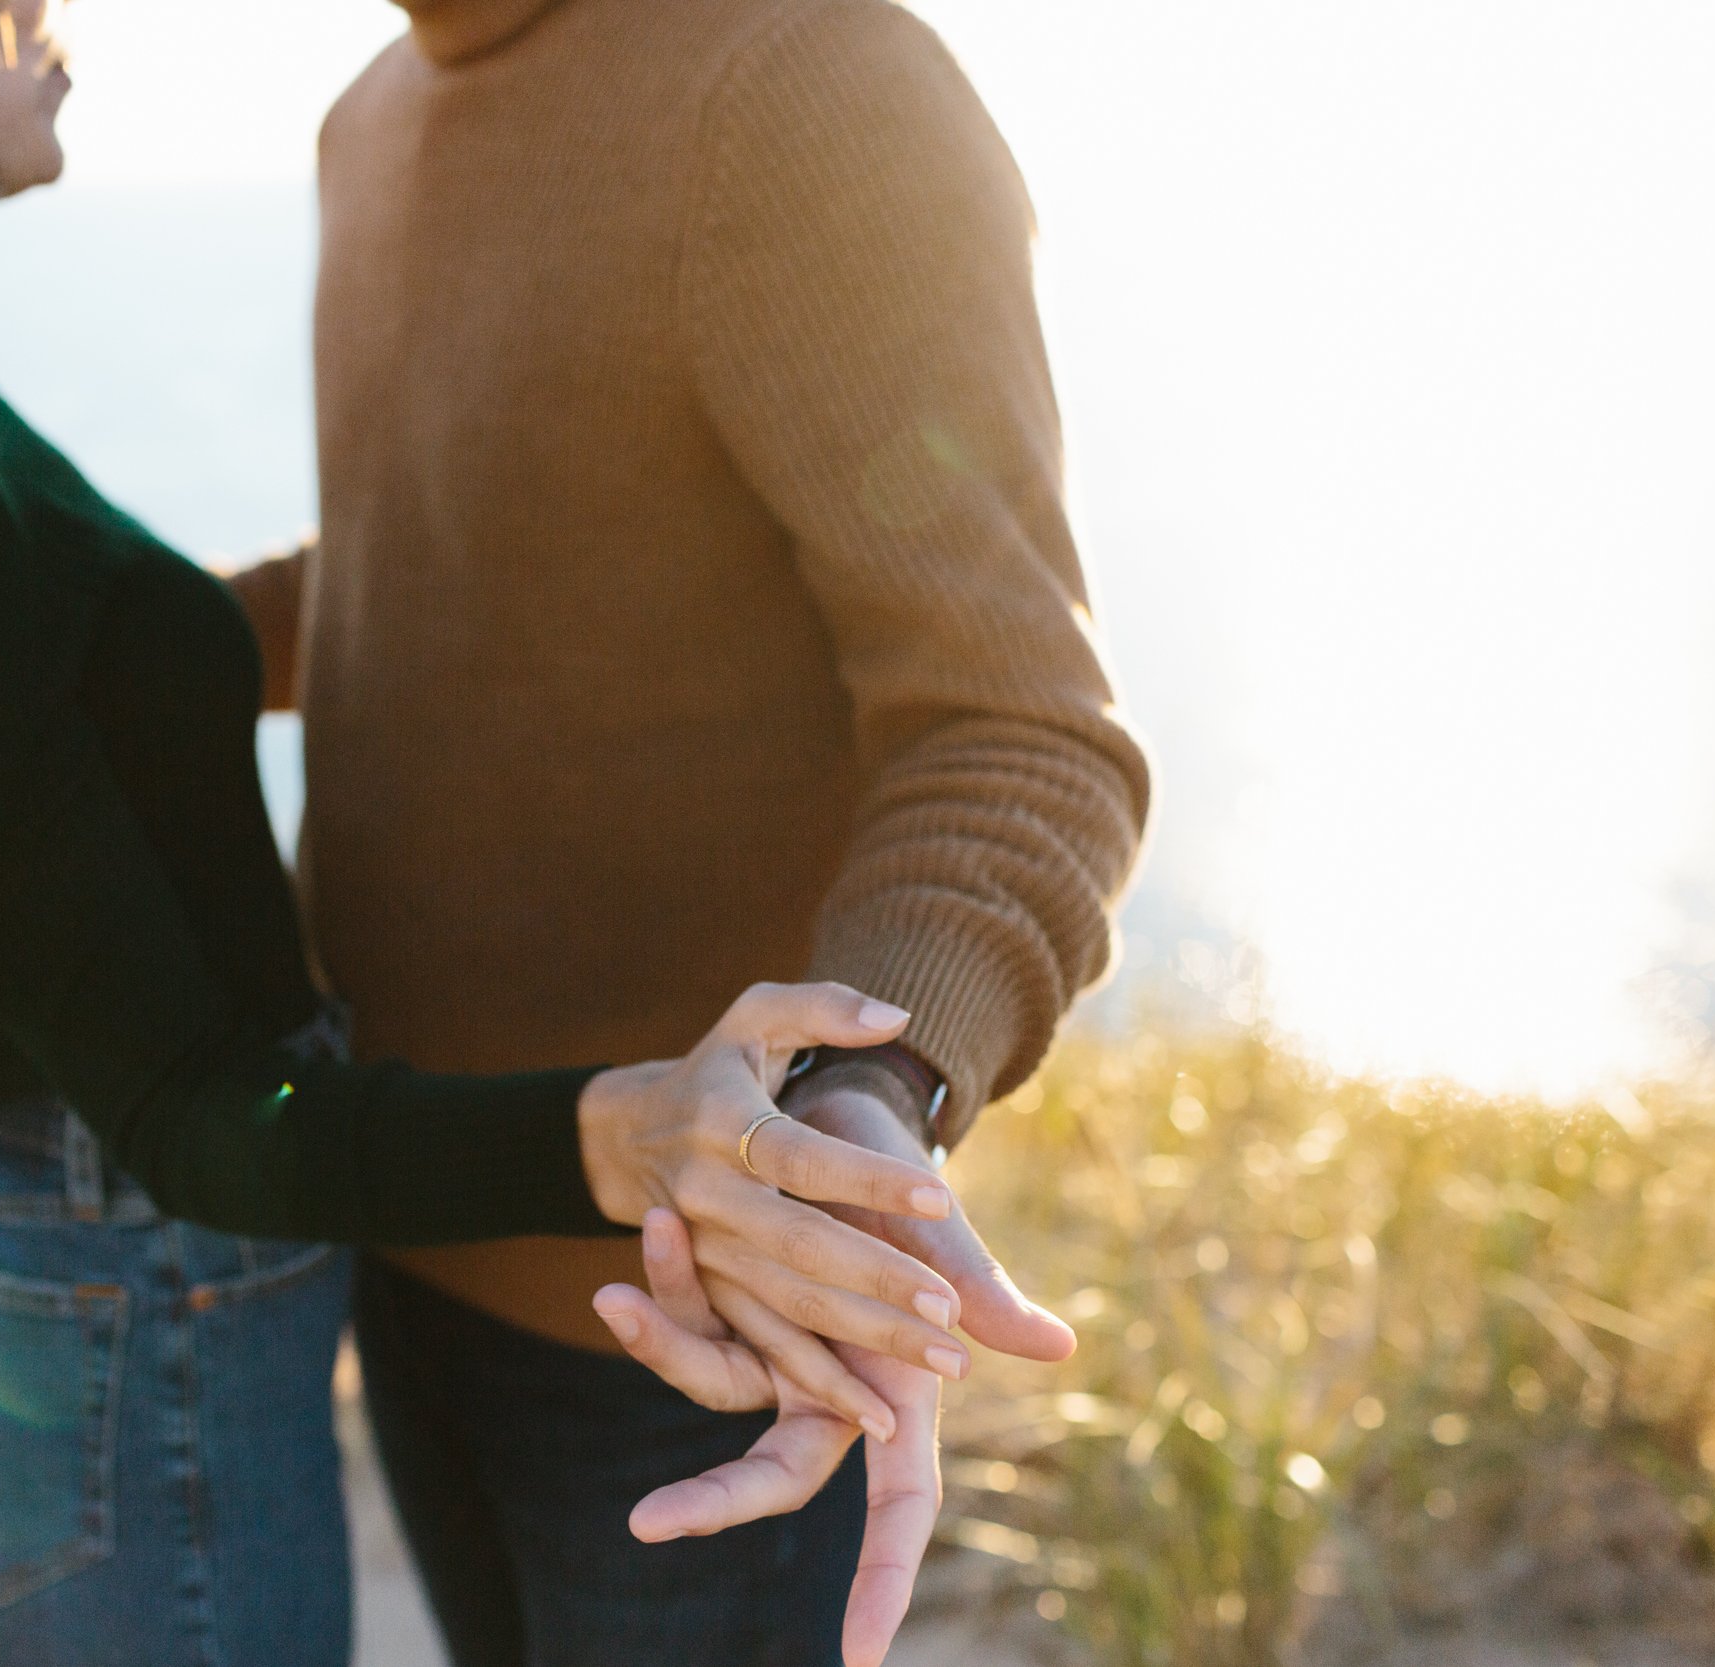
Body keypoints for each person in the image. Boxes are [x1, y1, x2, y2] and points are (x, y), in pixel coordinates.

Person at [0, 1, 994, 1663]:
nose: (33, 15)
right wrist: (628, 1133)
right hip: (134, 1307)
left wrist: (614, 540)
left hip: (135, 1296)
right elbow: (193, 1115)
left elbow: (80, 656)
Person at [224, 0, 1155, 1661]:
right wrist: (65, 642)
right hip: (406, 1208)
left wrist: (865, 1091)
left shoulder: (798, 85)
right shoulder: (372, 110)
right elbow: (436, 555)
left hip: (694, 1324)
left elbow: (1018, 730)